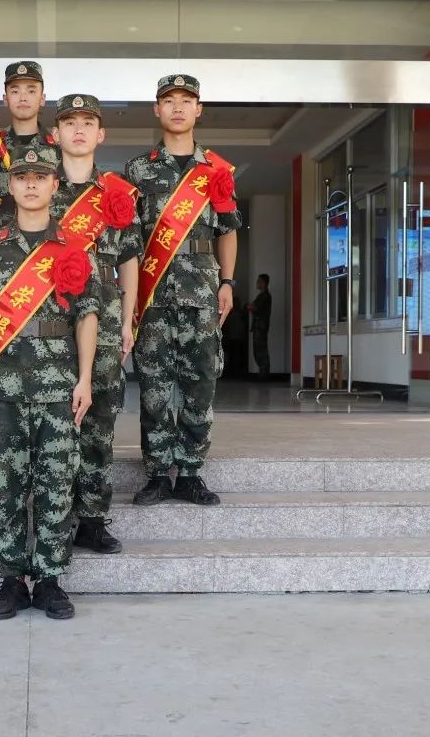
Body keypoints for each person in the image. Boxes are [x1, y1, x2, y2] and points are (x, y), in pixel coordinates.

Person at [0, 144, 101, 621]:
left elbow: (87, 316)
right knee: (4, 484)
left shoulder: (75, 247)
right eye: (22, 176)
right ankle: (9, 580)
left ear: (54, 185)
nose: (30, 184)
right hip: (1, 383)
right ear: (10, 185)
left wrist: (85, 379)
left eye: (40, 177)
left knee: (56, 483)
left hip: (58, 385)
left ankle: (49, 580)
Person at [125, 74, 241, 507]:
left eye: (186, 100)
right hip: (152, 292)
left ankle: (191, 471)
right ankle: (157, 473)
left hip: (202, 290)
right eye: (169, 100)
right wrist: (129, 297)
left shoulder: (217, 169)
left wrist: (228, 281)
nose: (177, 107)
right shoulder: (138, 170)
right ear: (157, 109)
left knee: (200, 381)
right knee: (154, 384)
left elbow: (228, 230)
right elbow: (128, 242)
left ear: (199, 109)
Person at [49, 93, 143, 554]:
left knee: (100, 422)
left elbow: (129, 260)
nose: (79, 130)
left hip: (104, 316)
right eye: (70, 123)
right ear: (55, 134)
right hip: (49, 319)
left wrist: (127, 320)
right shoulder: (38, 186)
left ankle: (92, 519)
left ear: (101, 134)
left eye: (88, 123)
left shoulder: (116, 193)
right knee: (54, 421)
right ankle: (53, 519)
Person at [0, 60, 61, 201]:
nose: (23, 98)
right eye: (15, 91)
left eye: (31, 91)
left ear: (42, 99)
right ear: (5, 99)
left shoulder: (57, 146)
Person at [248, 273, 272, 379]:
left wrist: (249, 306)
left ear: (264, 283)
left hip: (260, 327)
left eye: (259, 281)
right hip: (258, 326)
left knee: (260, 350)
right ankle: (262, 372)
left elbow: (254, 307)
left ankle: (264, 374)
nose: (257, 283)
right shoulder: (261, 296)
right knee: (257, 350)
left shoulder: (265, 296)